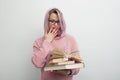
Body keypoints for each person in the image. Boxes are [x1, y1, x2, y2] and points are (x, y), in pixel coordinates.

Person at [32, 8, 81, 80]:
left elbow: (77, 65)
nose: (56, 25)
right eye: (52, 21)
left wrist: (68, 72)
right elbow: (37, 63)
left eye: (59, 22)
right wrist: (47, 41)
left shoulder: (70, 39)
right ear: (47, 22)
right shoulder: (39, 42)